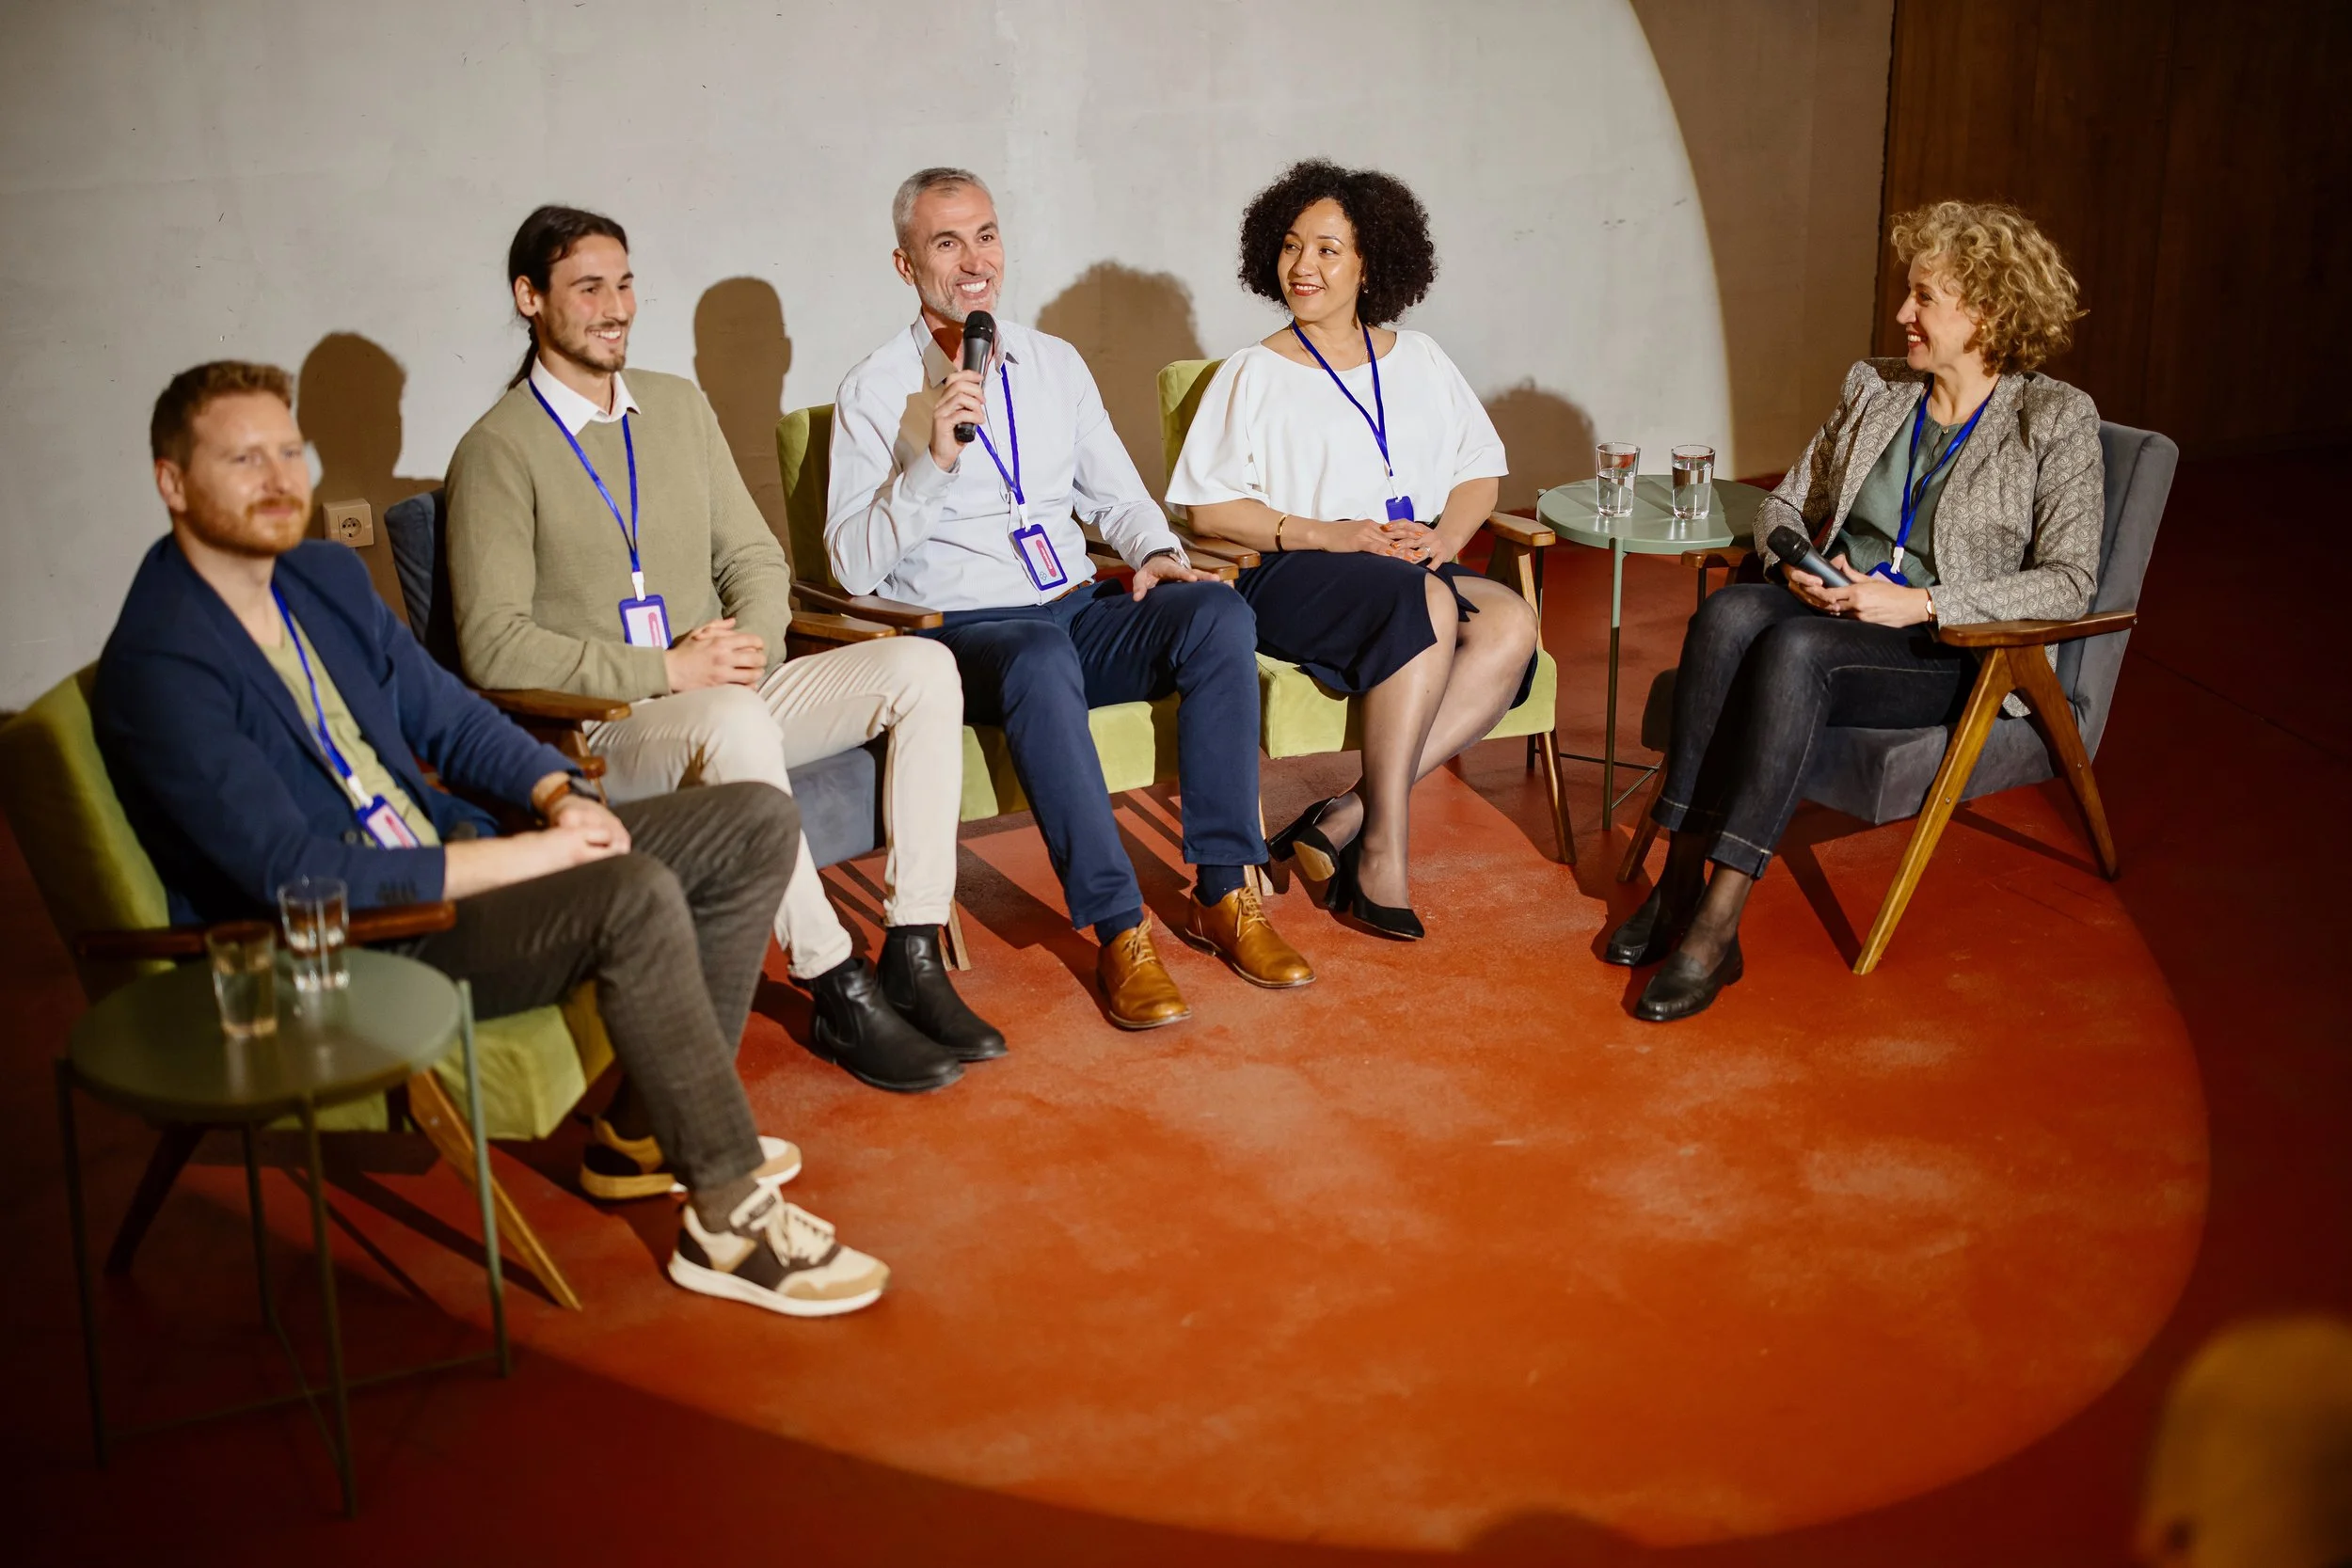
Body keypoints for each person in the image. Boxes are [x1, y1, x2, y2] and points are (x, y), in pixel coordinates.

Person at [94, 361, 887, 1317]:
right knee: (631, 891)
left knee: (753, 820)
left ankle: (643, 1132)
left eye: (288, 452)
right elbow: (291, 876)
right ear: (173, 482)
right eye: (241, 459)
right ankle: (726, 1216)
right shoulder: (162, 660)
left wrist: (557, 793)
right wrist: (536, 852)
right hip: (338, 946)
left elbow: (446, 715)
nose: (277, 478)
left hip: (445, 875)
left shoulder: (318, 578)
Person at [445, 206, 995, 1096]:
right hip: (609, 727)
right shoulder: (496, 450)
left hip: (729, 691)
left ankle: (914, 950)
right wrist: (667, 670)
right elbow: (492, 646)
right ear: (530, 298)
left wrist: (750, 643)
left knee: (927, 667)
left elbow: (754, 558)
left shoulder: (675, 406)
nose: (616, 307)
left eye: (625, 284)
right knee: (733, 719)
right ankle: (833, 982)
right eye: (588, 288)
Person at [828, 167, 1314, 1030]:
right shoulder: (872, 391)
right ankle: (1121, 928)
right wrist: (932, 461)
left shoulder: (1053, 364)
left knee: (1216, 614)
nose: (974, 260)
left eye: (986, 236)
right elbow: (851, 567)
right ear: (906, 265)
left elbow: (1120, 498)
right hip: (966, 633)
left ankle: (1223, 891)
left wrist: (1157, 553)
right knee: (1038, 653)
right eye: (947, 243)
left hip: (1074, 608)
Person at [1611, 199, 2102, 1022]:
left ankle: (1717, 925)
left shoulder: (2051, 418)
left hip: (1947, 647)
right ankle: (1679, 880)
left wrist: (1923, 600)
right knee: (1728, 617)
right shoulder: (1877, 387)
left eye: (1924, 298)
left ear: (1986, 312)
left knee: (1795, 651)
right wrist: (1792, 563)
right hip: (1833, 609)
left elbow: (2070, 580)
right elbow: (1784, 504)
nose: (1903, 313)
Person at [1168, 160, 1538, 940]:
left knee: (1510, 623)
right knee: (1427, 601)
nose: (1303, 266)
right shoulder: (1252, 373)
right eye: (1292, 246)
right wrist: (1331, 532)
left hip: (1406, 562)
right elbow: (1206, 506)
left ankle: (1342, 814)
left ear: (1372, 264)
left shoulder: (1422, 357)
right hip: (1295, 572)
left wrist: (1445, 537)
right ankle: (1381, 855)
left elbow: (1480, 470)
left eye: (1328, 250)